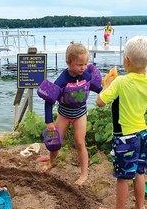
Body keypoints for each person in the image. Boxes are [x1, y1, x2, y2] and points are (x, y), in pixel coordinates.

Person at [96, 35, 147, 209]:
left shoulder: (121, 82)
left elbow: (100, 102)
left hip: (125, 136)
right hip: (143, 134)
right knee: (139, 172)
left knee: (123, 176)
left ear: (126, 61)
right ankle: (140, 208)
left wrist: (107, 85)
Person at [39, 43, 102, 185]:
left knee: (80, 142)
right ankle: (52, 162)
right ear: (69, 62)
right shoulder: (62, 80)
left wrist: (106, 92)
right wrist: (49, 122)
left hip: (80, 114)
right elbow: (49, 101)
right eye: (80, 64)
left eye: (85, 63)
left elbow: (97, 88)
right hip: (64, 114)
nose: (83, 67)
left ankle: (84, 173)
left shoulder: (86, 75)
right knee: (54, 141)